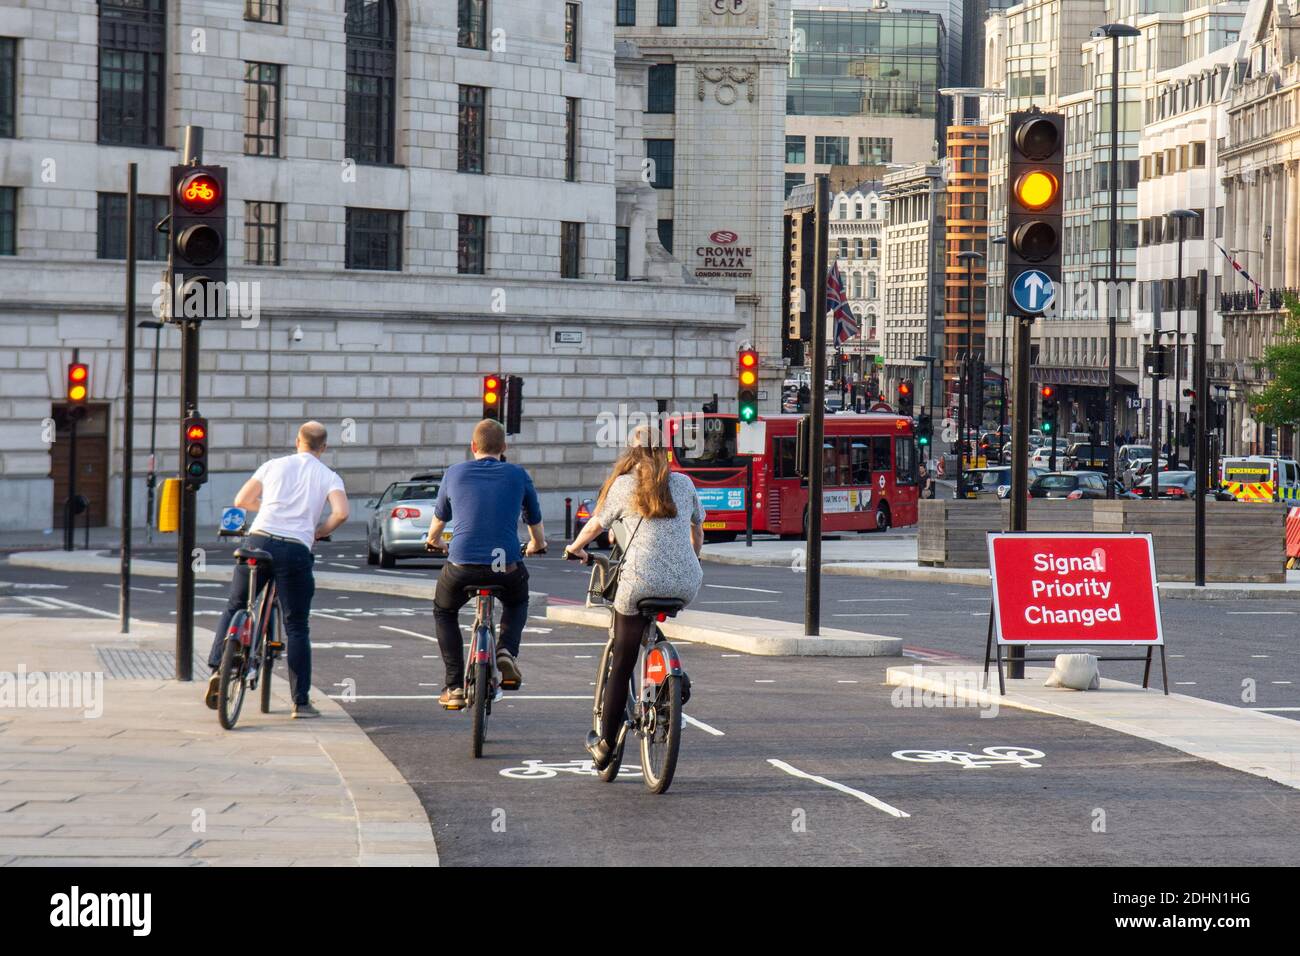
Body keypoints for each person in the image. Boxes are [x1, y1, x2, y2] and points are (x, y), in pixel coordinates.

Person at [565, 426, 703, 770]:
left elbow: (596, 525)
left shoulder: (624, 486)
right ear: (665, 453)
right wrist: (693, 560)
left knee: (623, 658)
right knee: (648, 625)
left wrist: (574, 548)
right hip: (687, 582)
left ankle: (605, 745)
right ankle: (676, 679)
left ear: (633, 454)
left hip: (639, 582)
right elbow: (697, 528)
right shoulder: (684, 485)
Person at [206, 421, 349, 719]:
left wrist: (271, 506)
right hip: (295, 548)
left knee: (236, 603)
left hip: (258, 540)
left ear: (297, 441)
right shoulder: (328, 475)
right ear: (323, 447)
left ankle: (218, 664)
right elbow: (342, 512)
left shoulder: (273, 465)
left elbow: (242, 500)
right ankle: (301, 702)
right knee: (296, 624)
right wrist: (318, 530)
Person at [424, 419, 546, 709]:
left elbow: (438, 522)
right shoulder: (517, 474)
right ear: (504, 448)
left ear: (473, 446)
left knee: (444, 611)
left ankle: (454, 686)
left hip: (461, 563)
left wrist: (435, 542)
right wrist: (536, 545)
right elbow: (534, 520)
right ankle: (505, 651)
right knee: (517, 602)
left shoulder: (454, 473)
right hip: (506, 565)